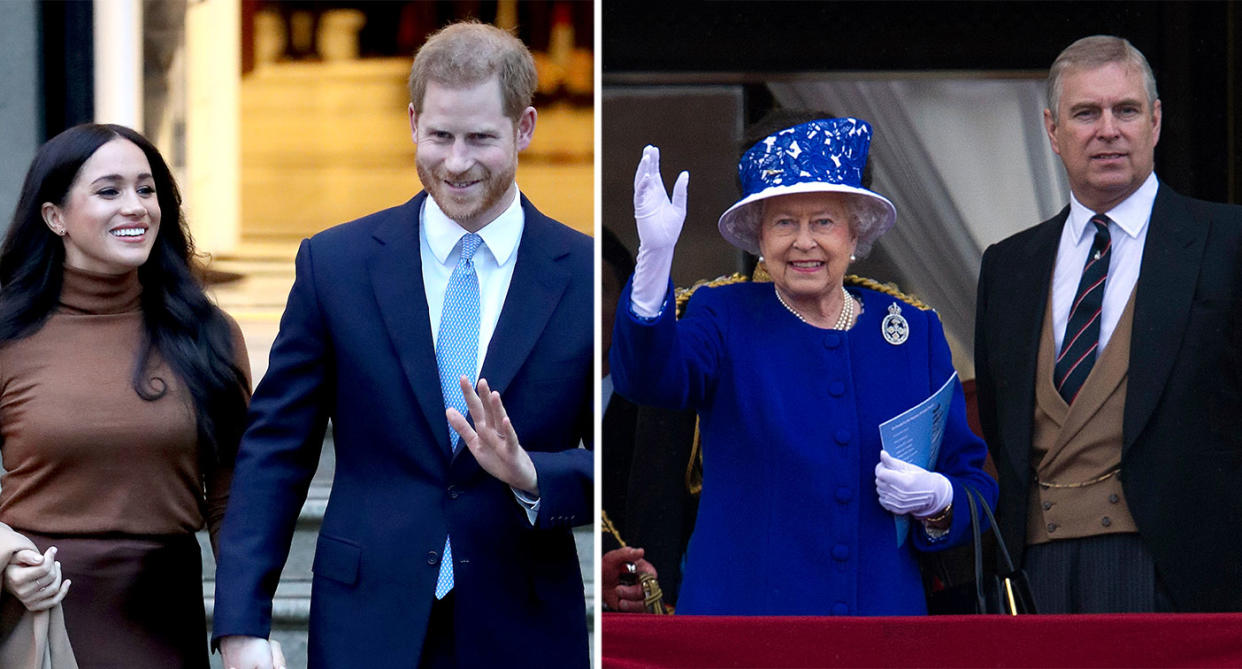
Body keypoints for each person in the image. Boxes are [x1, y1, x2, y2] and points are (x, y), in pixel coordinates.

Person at [213, 20, 592, 668]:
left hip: (523, 627)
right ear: (413, 121)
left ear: (525, 128)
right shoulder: (336, 264)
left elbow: (626, 464)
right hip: (367, 621)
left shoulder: (580, 274)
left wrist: (533, 475)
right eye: (440, 135)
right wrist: (241, 622)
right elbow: (275, 449)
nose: (456, 162)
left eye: (480, 139)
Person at [610, 117, 997, 615]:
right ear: (759, 236)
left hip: (880, 629)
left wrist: (940, 499)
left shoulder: (911, 332)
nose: (804, 241)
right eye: (784, 222)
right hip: (746, 631)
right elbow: (650, 378)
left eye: (824, 221)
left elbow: (974, 485)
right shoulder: (722, 315)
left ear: (856, 232)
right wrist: (654, 263)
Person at [975, 35, 1242, 613]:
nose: (1108, 130)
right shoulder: (1007, 265)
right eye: (1085, 113)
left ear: (1156, 120)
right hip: (1035, 570)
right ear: (1052, 130)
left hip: (1179, 572)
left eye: (1126, 110)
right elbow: (1001, 427)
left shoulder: (1228, 242)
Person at [0, 123, 252, 666]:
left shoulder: (208, 334)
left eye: (146, 189)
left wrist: (241, 629)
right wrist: (4, 560)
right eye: (109, 191)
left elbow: (232, 499)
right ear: (54, 217)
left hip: (164, 618)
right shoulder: (7, 335)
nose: (136, 206)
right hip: (41, 612)